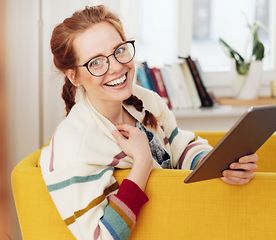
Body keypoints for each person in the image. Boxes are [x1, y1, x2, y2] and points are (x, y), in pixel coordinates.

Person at [40, 5, 258, 239]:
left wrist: (222, 164)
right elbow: (101, 237)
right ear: (73, 75)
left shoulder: (145, 99)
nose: (115, 67)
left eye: (120, 50)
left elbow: (179, 146)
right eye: (95, 62)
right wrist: (142, 161)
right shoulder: (74, 145)